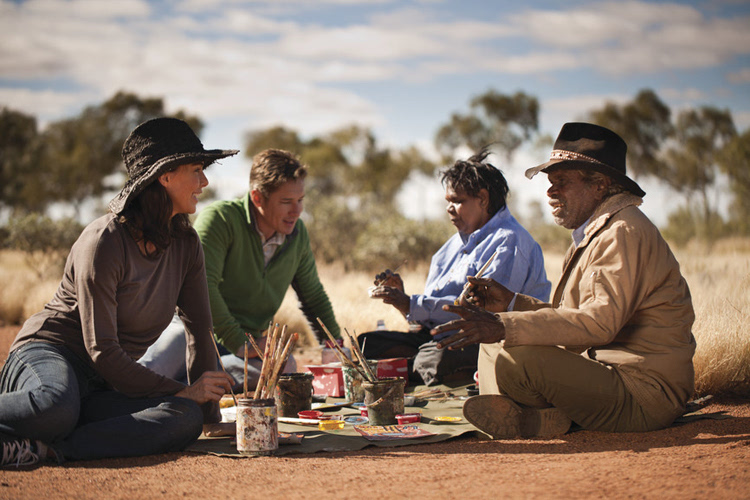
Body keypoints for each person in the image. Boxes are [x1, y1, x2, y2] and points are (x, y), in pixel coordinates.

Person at [432, 122, 696, 438]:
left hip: (642, 395)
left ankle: (520, 418)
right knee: (494, 333)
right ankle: (528, 417)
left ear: (600, 185)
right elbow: (573, 317)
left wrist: (507, 325)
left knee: (519, 348)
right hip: (606, 377)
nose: (550, 191)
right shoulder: (597, 231)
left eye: (562, 182)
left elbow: (599, 324)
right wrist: (511, 304)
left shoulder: (622, 233)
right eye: (550, 182)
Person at [0, 117, 237, 467]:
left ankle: (47, 450)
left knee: (184, 417)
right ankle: (42, 424)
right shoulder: (104, 240)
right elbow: (103, 351)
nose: (204, 182)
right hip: (51, 355)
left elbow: (199, 332)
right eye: (196, 169)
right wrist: (180, 390)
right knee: (56, 407)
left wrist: (207, 413)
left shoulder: (186, 244)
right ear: (165, 175)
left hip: (104, 386)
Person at [140, 148, 340, 389]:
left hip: (247, 347)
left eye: (300, 201)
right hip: (192, 331)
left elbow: (313, 296)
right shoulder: (221, 219)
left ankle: (186, 385)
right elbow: (201, 286)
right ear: (257, 198)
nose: (297, 211)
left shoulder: (298, 235)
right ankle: (176, 384)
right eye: (286, 202)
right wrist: (239, 342)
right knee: (148, 372)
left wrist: (335, 346)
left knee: (284, 366)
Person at [359, 149, 550, 386]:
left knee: (433, 357)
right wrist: (403, 302)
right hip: (441, 339)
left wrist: (411, 304)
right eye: (448, 202)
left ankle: (408, 373)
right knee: (366, 343)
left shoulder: (509, 241)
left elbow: (484, 315)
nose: (450, 209)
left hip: (490, 340)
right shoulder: (449, 248)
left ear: (483, 199)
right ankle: (409, 371)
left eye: (458, 201)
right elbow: (425, 325)